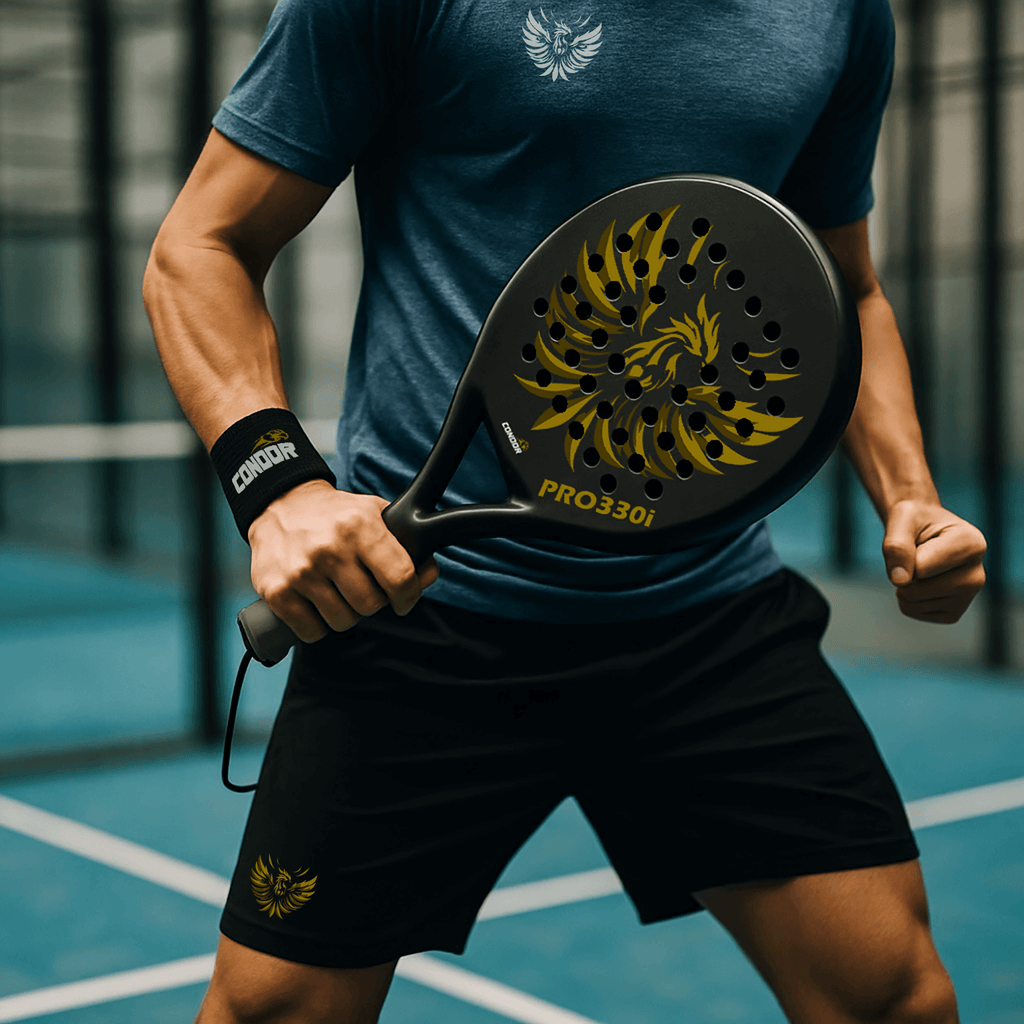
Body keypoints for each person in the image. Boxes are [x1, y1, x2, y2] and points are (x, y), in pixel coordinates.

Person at [143, 0, 986, 1021]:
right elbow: (203, 244)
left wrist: (912, 500)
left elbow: (840, 285)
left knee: (894, 997)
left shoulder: (838, 15)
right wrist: (279, 487)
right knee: (275, 1011)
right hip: (426, 617)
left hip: (704, 613)